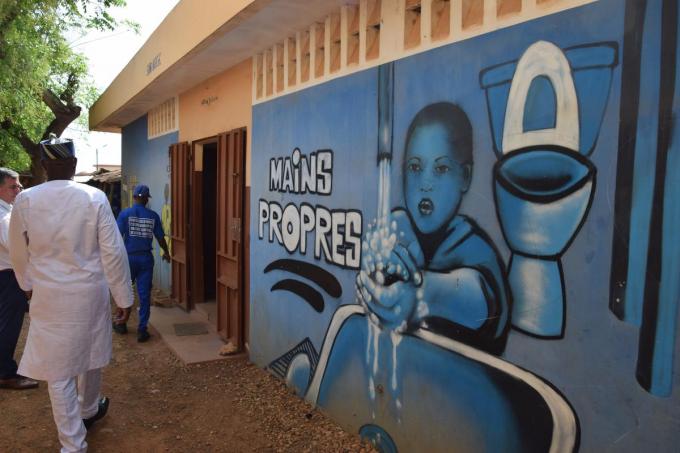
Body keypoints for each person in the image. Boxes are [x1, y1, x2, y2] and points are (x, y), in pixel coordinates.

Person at [9, 136, 134, 453]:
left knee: (58, 371)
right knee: (91, 353)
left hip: (49, 296)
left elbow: (17, 251)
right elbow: (113, 253)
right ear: (74, 165)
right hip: (89, 294)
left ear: (43, 165)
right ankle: (88, 409)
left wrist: (26, 284)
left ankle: (73, 444)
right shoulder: (93, 198)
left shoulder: (26, 200)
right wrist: (124, 297)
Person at [357, 102, 511, 354]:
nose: (425, 184)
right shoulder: (399, 229)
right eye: (415, 167)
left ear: (465, 176)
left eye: (441, 168)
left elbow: (480, 300)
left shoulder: (472, 247)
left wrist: (419, 296)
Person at [114, 183, 170, 342]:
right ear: (146, 199)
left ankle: (121, 323)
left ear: (134, 198)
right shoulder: (153, 216)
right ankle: (142, 330)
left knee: (124, 290)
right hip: (145, 260)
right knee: (144, 295)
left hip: (128, 259)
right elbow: (160, 238)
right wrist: (166, 252)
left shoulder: (125, 214)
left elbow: (117, 237)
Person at [0, 168, 38, 390]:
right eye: (13, 187)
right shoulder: (5, 217)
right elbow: (19, 249)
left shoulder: (9, 212)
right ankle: (6, 373)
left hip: (6, 275)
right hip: (8, 277)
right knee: (9, 325)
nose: (19, 190)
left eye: (19, 186)